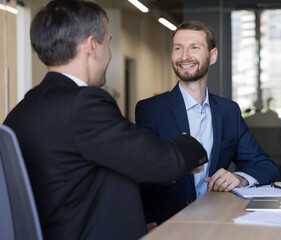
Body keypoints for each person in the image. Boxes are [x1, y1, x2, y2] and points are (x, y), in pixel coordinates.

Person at [3, 2, 208, 240]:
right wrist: (191, 145)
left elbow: (74, 186)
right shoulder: (83, 104)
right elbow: (161, 162)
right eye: (108, 42)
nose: (109, 53)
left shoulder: (22, 110)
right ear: (92, 46)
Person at [135, 20, 279, 225]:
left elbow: (265, 166)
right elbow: (140, 175)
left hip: (216, 221)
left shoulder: (229, 111)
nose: (184, 56)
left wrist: (240, 178)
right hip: (167, 225)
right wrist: (175, 164)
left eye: (194, 47)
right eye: (178, 48)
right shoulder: (150, 110)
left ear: (213, 56)